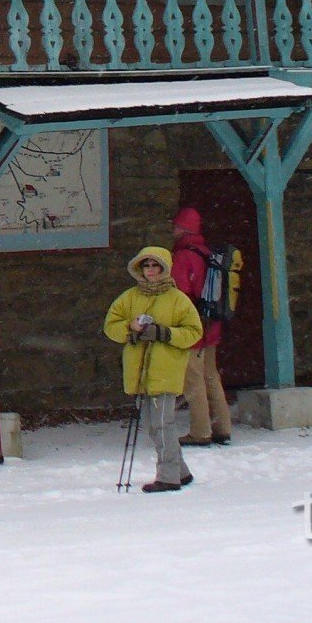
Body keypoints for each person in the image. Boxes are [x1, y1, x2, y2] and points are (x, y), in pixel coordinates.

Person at [102, 246, 203, 493]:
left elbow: (193, 332)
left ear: (164, 269)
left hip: (166, 369)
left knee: (161, 423)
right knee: (155, 424)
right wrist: (130, 328)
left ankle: (168, 476)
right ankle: (181, 471)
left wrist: (165, 333)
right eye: (146, 266)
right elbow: (110, 326)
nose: (150, 271)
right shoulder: (129, 297)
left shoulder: (178, 299)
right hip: (140, 371)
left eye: (155, 266)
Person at [172, 206, 234, 446]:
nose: (173, 229)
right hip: (212, 322)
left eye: (176, 225)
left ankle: (200, 431)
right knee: (210, 376)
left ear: (183, 228)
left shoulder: (183, 256)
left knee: (192, 379)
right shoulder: (206, 251)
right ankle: (222, 427)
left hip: (193, 325)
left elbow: (180, 294)